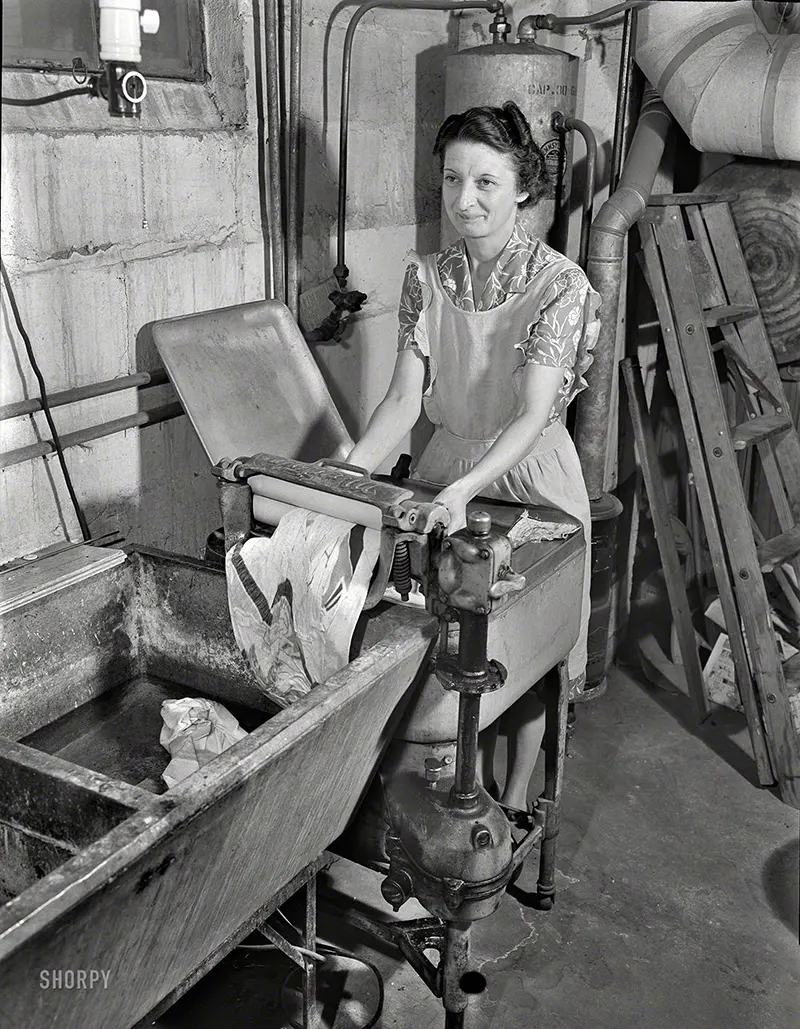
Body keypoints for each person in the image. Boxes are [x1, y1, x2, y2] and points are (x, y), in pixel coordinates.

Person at [346, 101, 600, 813]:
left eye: (486, 182)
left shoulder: (561, 285)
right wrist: (350, 471)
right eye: (453, 179)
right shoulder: (426, 277)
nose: (464, 200)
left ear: (524, 187)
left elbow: (530, 413)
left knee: (525, 645)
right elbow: (401, 401)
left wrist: (468, 489)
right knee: (447, 643)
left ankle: (515, 800)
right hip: (445, 467)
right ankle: (462, 794)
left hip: (529, 477)